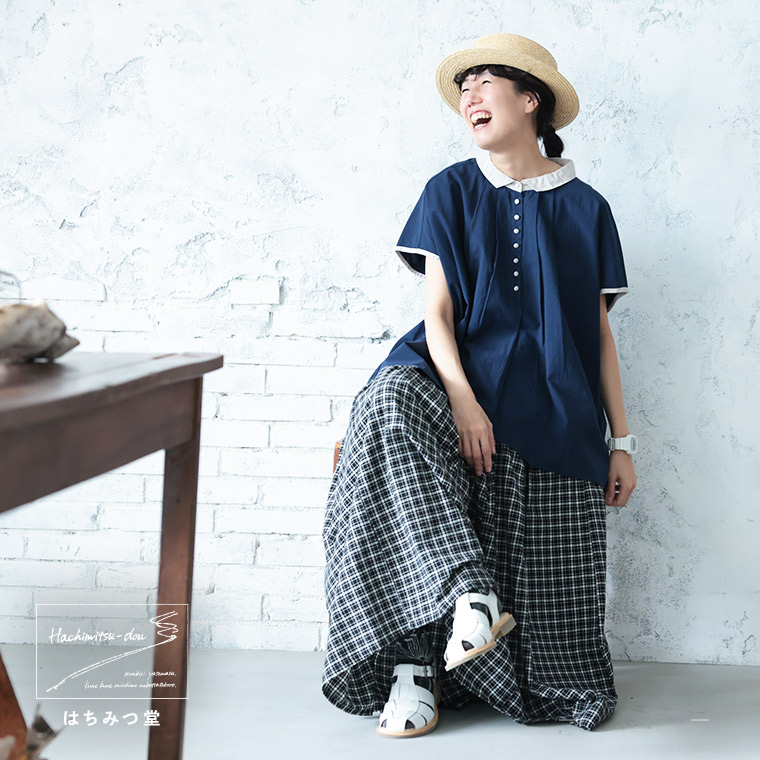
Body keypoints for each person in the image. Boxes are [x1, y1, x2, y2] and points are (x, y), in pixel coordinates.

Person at [321, 32, 637, 738]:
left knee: (563, 665)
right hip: (450, 379)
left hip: (553, 403)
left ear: (531, 101)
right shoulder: (450, 190)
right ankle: (427, 646)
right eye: (463, 88)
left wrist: (622, 442)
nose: (469, 96)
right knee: (386, 406)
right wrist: (464, 402)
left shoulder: (589, 209)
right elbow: (436, 314)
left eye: (486, 82)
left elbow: (598, 335)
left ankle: (456, 647)